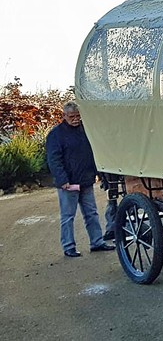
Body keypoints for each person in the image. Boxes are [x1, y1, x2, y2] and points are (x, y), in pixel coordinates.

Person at [45, 101, 115, 257]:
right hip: (68, 183)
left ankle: (97, 242)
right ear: (64, 116)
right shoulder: (55, 135)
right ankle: (69, 247)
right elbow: (53, 159)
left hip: (86, 180)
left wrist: (99, 174)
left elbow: (93, 153)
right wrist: (63, 180)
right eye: (72, 116)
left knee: (92, 213)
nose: (76, 119)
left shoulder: (85, 130)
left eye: (78, 116)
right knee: (68, 216)